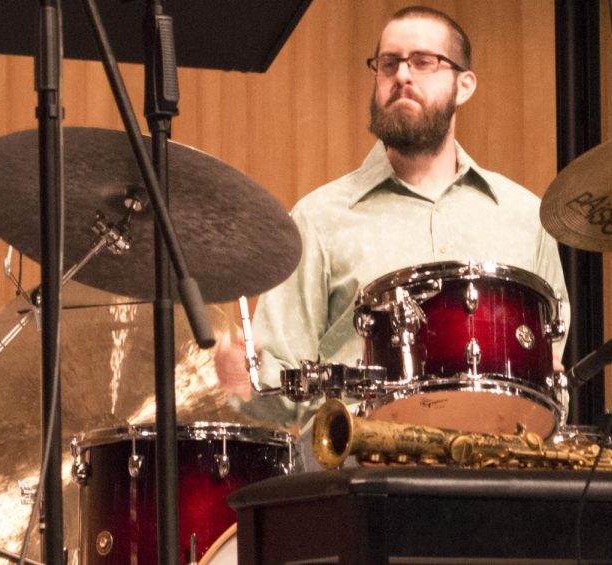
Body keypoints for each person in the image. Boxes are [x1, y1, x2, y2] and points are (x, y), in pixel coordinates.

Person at [216, 5, 570, 446]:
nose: (402, 75)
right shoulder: (320, 218)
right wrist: (243, 381)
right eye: (389, 63)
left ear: (464, 85)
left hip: (498, 475)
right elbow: (281, 392)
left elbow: (545, 376)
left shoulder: (524, 216)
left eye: (423, 62)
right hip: (355, 478)